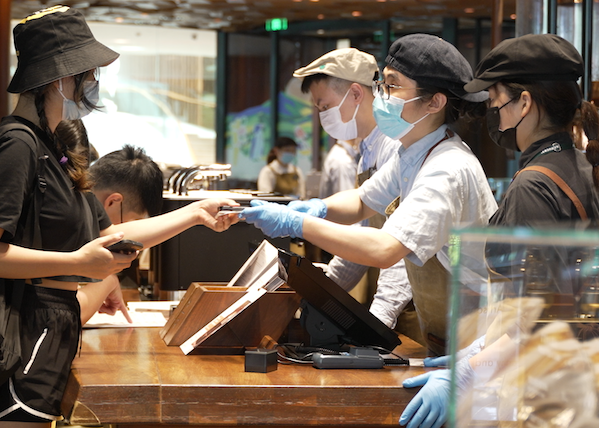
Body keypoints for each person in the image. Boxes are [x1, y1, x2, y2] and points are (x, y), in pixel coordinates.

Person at [0, 6, 237, 427]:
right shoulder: (16, 145)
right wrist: (77, 263)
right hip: (19, 334)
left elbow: (113, 234)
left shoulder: (54, 148)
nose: (93, 83)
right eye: (88, 74)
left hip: (50, 330)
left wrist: (195, 214)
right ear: (60, 77)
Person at [240, 34, 497, 362]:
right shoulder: (413, 154)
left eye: (393, 85)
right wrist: (317, 208)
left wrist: (298, 224)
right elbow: (363, 201)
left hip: (475, 339)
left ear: (434, 102)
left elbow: (386, 249)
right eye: (382, 84)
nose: (382, 95)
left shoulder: (446, 168)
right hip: (445, 330)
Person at [399, 34, 599, 428]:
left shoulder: (533, 186)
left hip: (549, 393)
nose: (494, 114)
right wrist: (479, 348)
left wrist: (469, 371)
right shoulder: (579, 165)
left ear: (524, 103)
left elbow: (540, 321)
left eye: (495, 100)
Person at [292, 47, 416, 339]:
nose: (323, 116)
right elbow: (363, 231)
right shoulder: (367, 151)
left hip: (413, 301)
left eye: (325, 106)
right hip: (399, 298)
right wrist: (323, 288)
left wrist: (380, 318)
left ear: (356, 94)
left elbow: (402, 244)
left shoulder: (395, 147)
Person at [78, 143, 165, 325]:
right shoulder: (65, 221)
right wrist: (107, 282)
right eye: (133, 223)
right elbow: (71, 313)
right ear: (113, 202)